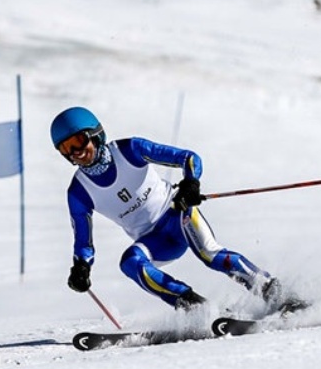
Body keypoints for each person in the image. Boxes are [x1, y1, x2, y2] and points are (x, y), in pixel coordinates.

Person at [50, 106, 302, 312]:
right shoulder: (78, 191)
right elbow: (83, 242)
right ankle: (195, 308)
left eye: (79, 140)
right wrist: (81, 267)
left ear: (96, 134)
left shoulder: (129, 150)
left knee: (210, 255)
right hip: (154, 240)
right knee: (130, 262)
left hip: (177, 213)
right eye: (66, 148)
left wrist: (190, 183)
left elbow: (189, 158)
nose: (76, 151)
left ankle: (274, 291)